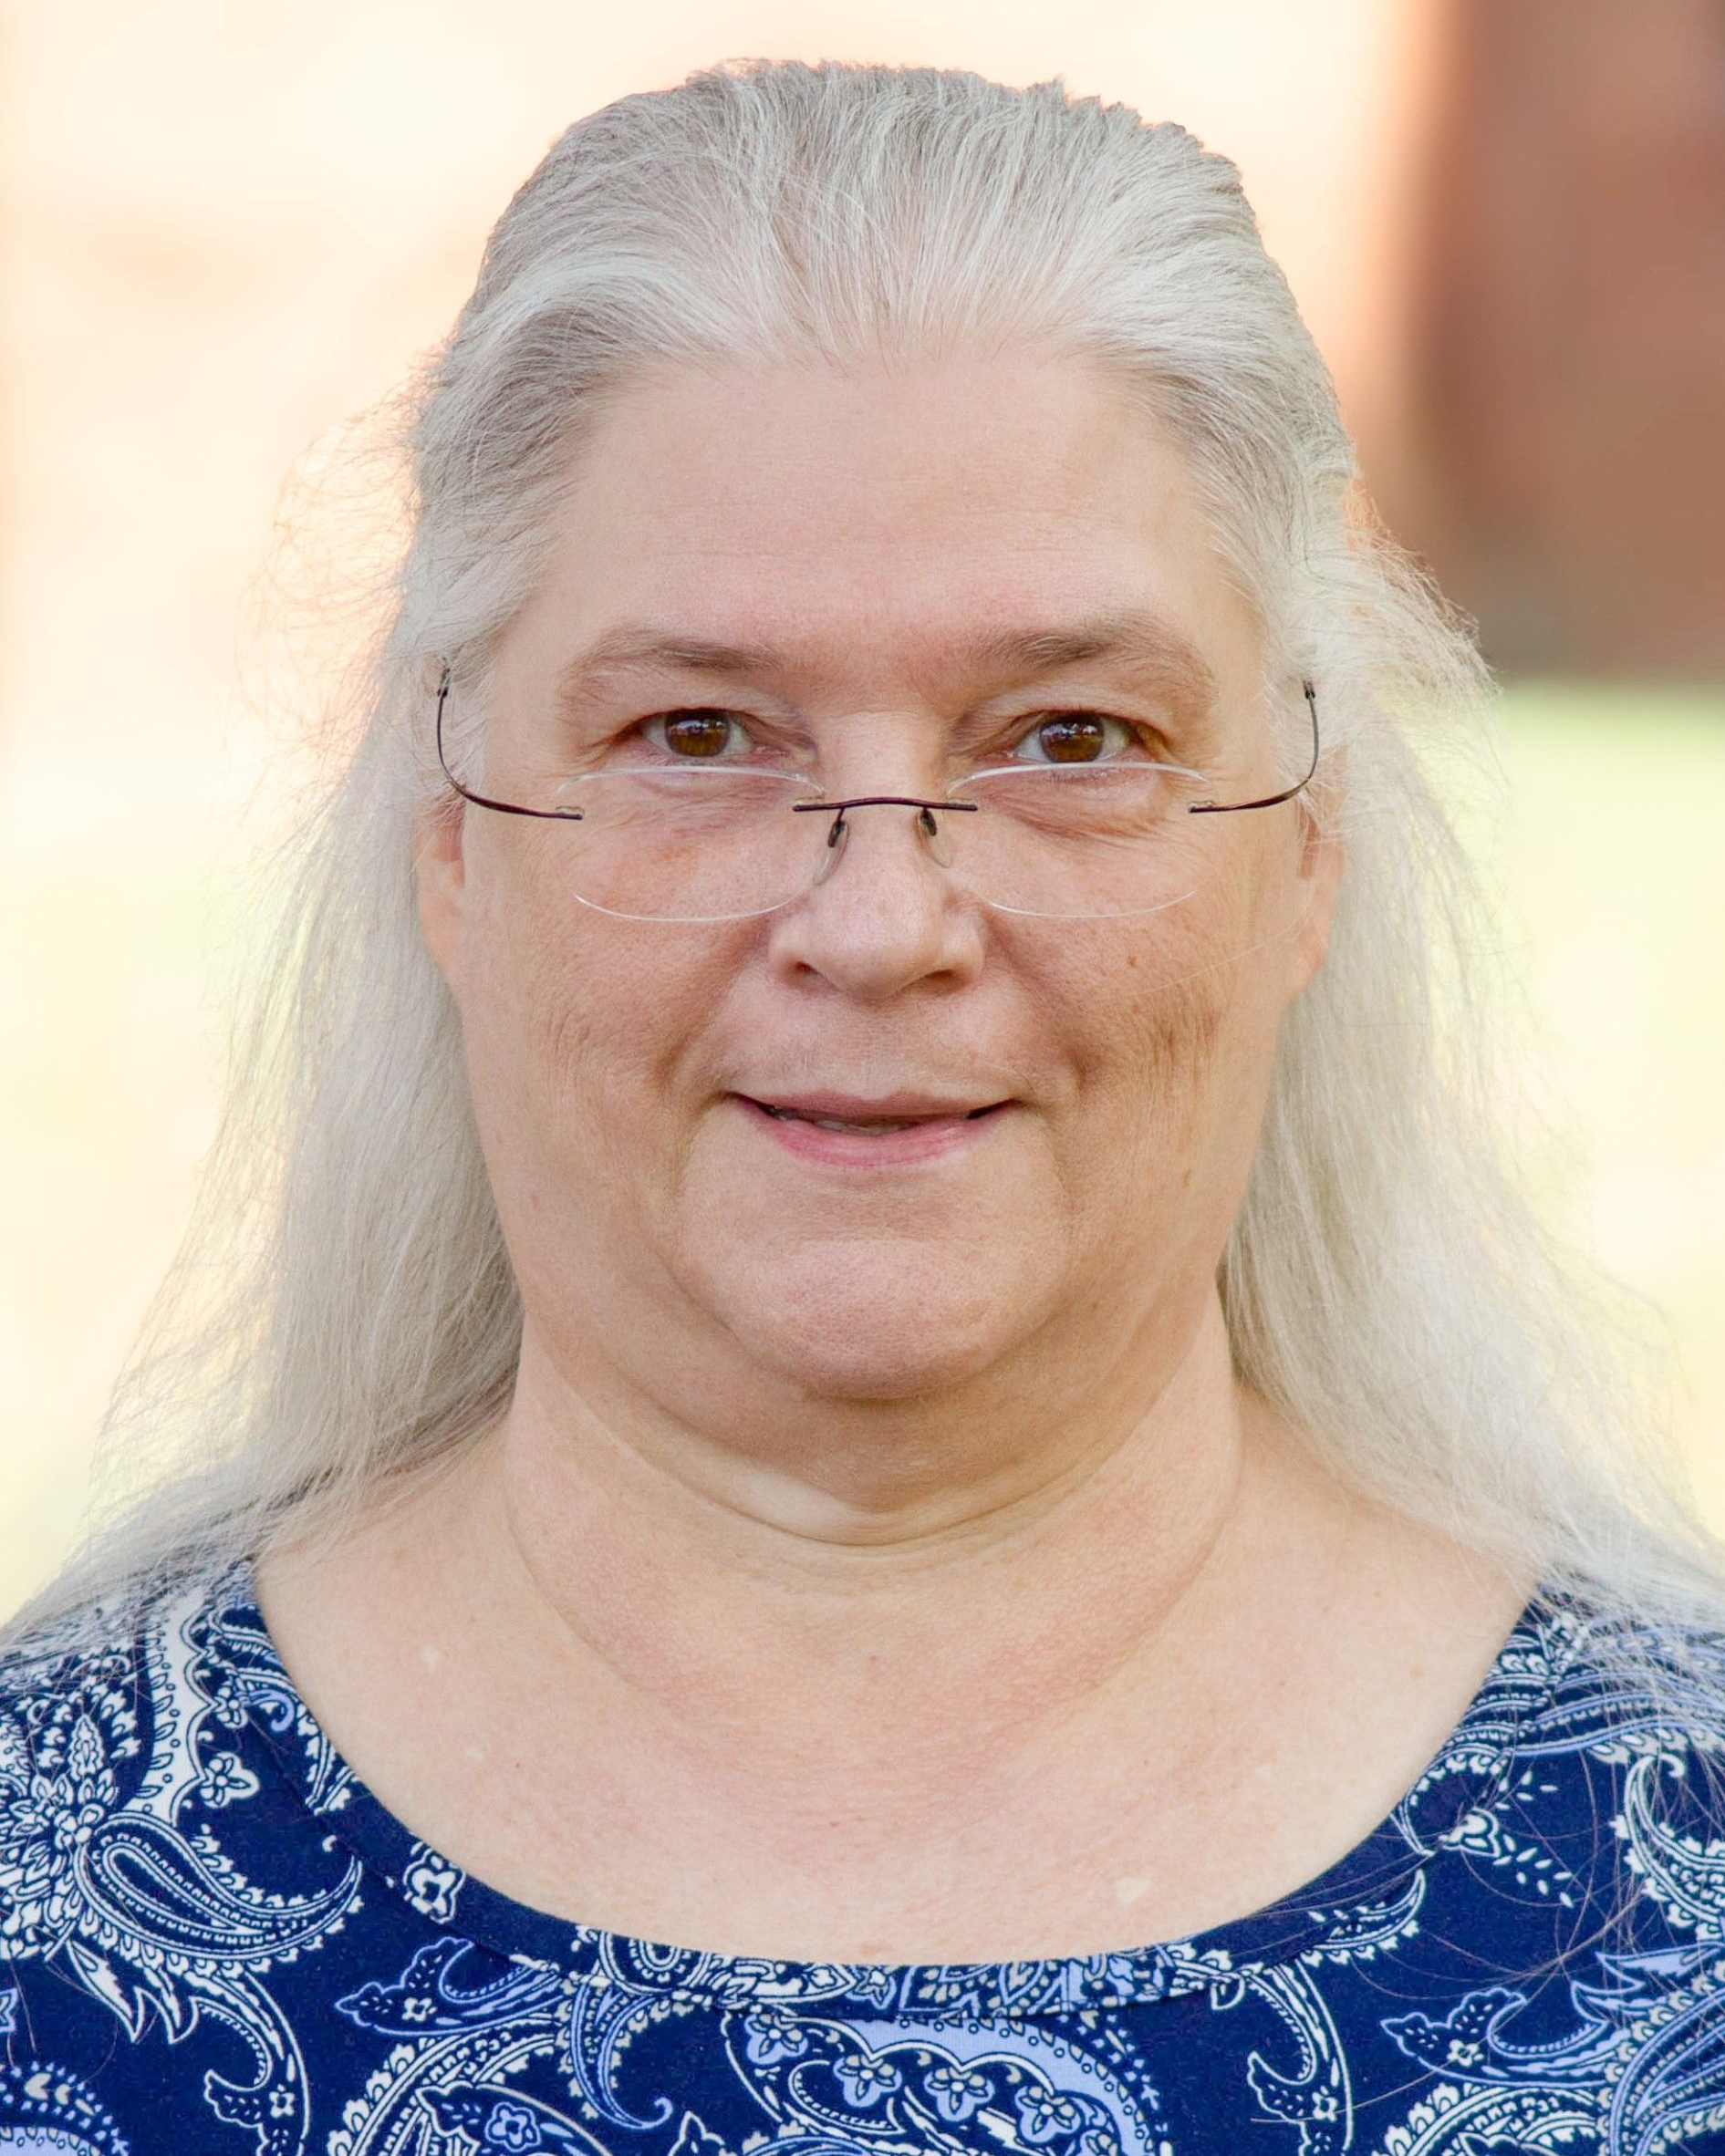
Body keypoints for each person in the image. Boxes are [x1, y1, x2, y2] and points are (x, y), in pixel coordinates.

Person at [4, 57, 1725, 2156]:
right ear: (451, 837)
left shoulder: (1684, 1897)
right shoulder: (50, 1905)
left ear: (1309, 847)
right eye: (699, 732)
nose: (884, 920)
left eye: (1070, 736)